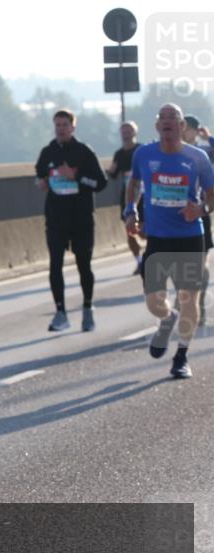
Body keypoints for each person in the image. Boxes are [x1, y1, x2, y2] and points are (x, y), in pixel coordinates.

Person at [125, 103, 214, 379]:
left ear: (181, 126)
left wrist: (200, 209)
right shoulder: (143, 154)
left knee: (188, 298)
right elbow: (134, 184)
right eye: (162, 118)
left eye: (172, 118)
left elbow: (212, 195)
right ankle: (166, 319)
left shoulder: (197, 157)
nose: (167, 122)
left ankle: (181, 357)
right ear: (156, 126)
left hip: (190, 237)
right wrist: (131, 211)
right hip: (158, 238)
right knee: (154, 301)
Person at [35, 109, 108, 332]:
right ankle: (61, 313)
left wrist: (75, 176)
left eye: (65, 125)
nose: (61, 129)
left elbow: (101, 183)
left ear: (73, 127)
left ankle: (87, 308)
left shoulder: (84, 152)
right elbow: (39, 175)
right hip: (56, 218)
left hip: (81, 219)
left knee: (83, 266)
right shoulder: (48, 152)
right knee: (54, 265)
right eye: (57, 125)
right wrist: (42, 182)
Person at [184, 114, 214, 326]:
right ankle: (185, 303)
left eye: (187, 127)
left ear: (195, 130)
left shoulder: (205, 151)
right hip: (176, 215)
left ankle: (200, 303)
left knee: (201, 262)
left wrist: (209, 138)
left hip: (201, 213)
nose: (184, 130)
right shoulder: (172, 150)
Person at [107, 121, 146, 275]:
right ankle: (139, 262)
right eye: (123, 131)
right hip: (127, 197)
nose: (126, 133)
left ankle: (150, 256)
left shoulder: (141, 150)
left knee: (144, 232)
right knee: (130, 232)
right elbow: (113, 174)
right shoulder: (119, 154)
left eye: (129, 130)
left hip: (144, 196)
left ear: (135, 132)